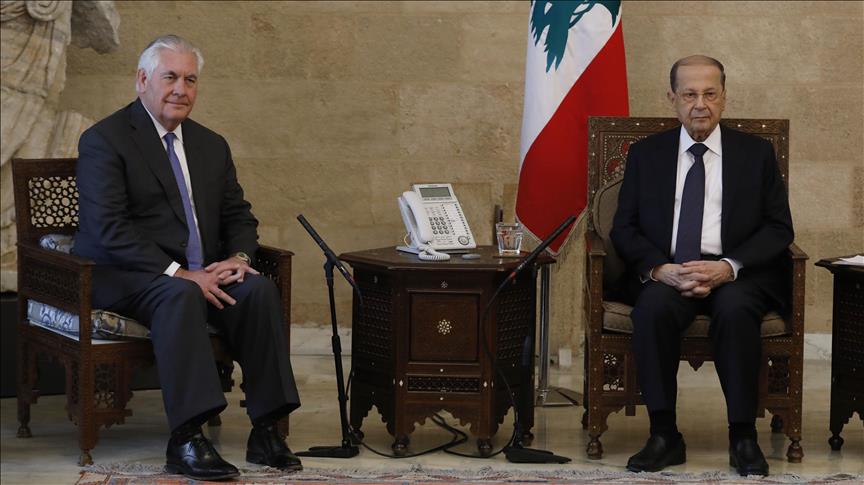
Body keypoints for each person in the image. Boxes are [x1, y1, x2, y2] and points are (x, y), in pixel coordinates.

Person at [73, 35, 301, 481]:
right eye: (170, 77)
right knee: (180, 295)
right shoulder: (104, 140)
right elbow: (108, 229)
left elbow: (238, 215)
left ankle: (266, 429)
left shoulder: (210, 144)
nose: (181, 89)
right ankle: (186, 438)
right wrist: (181, 273)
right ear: (142, 80)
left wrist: (238, 257)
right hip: (127, 274)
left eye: (190, 80)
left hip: (201, 271)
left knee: (256, 290)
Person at [610, 55, 794, 477]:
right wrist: (659, 269)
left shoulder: (755, 154)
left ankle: (743, 436)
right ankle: (663, 435)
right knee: (652, 309)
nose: (700, 105)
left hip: (735, 274)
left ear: (724, 98)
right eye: (690, 94)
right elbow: (624, 227)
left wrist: (729, 266)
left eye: (710, 94)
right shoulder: (646, 155)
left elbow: (779, 228)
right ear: (672, 98)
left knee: (736, 310)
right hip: (669, 272)